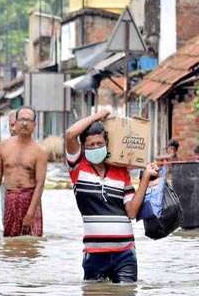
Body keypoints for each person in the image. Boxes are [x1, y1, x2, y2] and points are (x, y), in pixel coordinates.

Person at [65, 110, 159, 283]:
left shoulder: (121, 172)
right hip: (94, 256)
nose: (95, 147)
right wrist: (96, 116)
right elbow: (70, 134)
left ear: (106, 143)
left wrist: (145, 178)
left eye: (99, 143)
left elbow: (131, 212)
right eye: (90, 145)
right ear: (83, 147)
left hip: (125, 254)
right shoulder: (78, 169)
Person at [0, 106, 47, 237]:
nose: (24, 123)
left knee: (32, 246)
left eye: (28, 120)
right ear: (15, 123)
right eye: (21, 119)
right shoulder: (2, 147)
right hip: (10, 197)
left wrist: (30, 213)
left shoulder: (40, 151)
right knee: (10, 245)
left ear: (34, 125)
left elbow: (40, 184)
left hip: (30, 199)